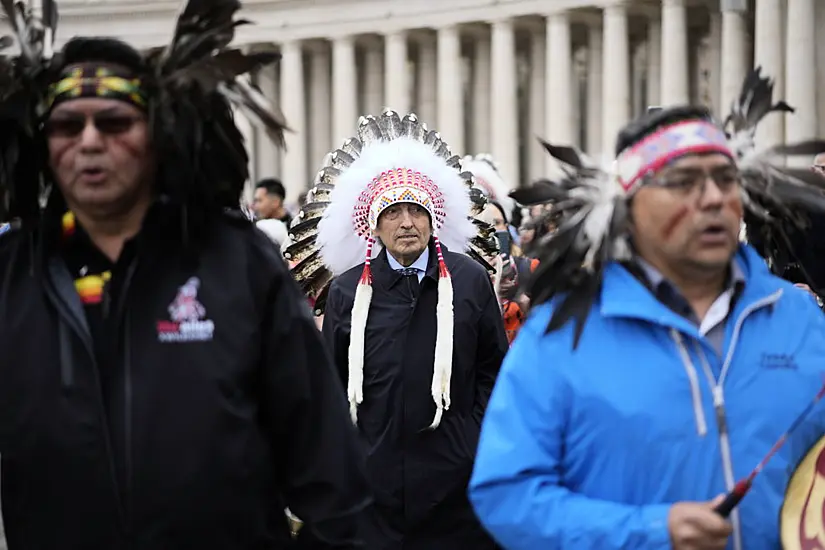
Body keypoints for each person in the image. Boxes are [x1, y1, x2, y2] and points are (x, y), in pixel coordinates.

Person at [0, 1, 369, 548]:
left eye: (115, 122)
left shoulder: (238, 266)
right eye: (67, 125)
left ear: (157, 137)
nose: (90, 142)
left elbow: (328, 473)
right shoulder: (11, 277)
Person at [469, 70, 825, 550]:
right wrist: (647, 532)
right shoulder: (561, 336)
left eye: (725, 180)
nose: (714, 199)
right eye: (683, 183)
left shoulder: (801, 323)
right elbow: (506, 494)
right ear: (630, 208)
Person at [287, 109, 507, 549]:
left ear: (432, 218)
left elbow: (494, 372)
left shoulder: (468, 280)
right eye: (393, 212)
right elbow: (329, 382)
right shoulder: (348, 290)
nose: (407, 222)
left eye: (416, 211)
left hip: (454, 483)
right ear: (375, 224)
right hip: (374, 483)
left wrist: (470, 438)